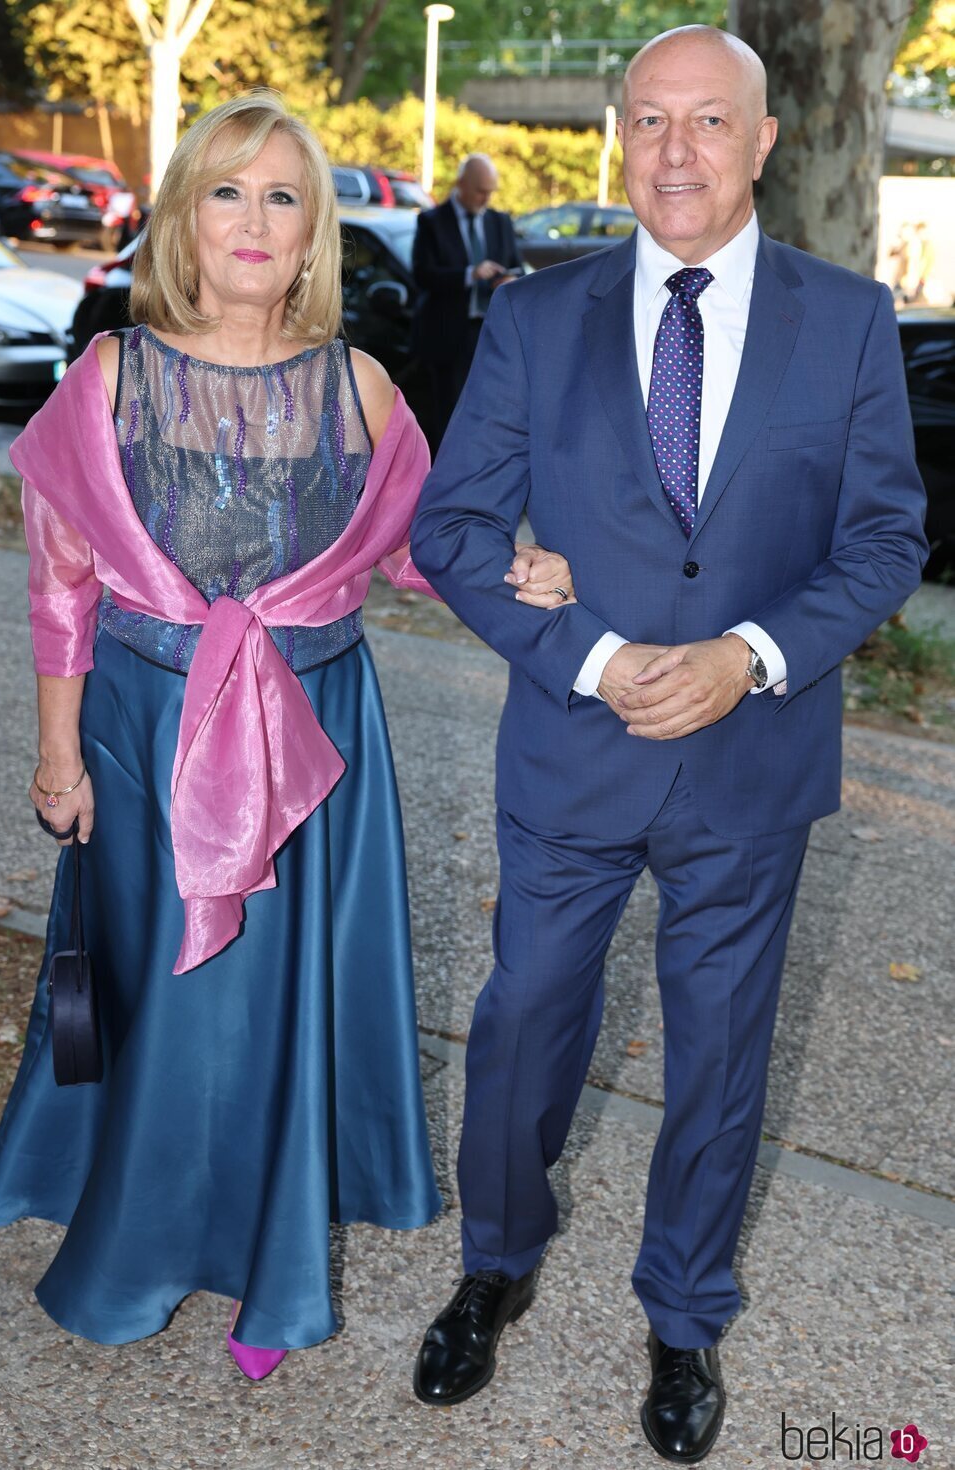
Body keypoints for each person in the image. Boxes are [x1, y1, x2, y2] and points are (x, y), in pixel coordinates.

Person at [0, 91, 575, 1382]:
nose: (254, 220)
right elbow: (61, 582)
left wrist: (515, 565)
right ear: (184, 220)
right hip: (142, 735)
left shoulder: (359, 387)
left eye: (284, 196)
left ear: (314, 239)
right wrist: (57, 751)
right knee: (172, 997)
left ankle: (271, 1262)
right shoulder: (110, 376)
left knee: (273, 1001)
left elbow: (422, 546)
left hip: (314, 737)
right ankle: (135, 1238)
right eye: (227, 192)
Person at [409, 25, 927, 1464]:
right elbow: (449, 528)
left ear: (765, 141)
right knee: (523, 1024)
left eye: (711, 121)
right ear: (617, 139)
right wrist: (593, 651)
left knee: (720, 1051)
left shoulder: (849, 318)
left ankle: (686, 1310)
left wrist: (747, 657)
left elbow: (887, 537)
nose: (679, 150)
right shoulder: (536, 317)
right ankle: (495, 1258)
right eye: (651, 121)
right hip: (575, 748)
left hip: (749, 761)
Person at [411, 153, 522, 449]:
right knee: (448, 417)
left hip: (493, 334)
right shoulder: (432, 222)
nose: (485, 198)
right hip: (449, 335)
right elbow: (422, 275)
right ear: (461, 184)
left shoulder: (499, 222)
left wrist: (509, 279)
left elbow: (517, 265)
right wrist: (470, 274)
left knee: (491, 416)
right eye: (480, 190)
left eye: (490, 192)